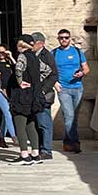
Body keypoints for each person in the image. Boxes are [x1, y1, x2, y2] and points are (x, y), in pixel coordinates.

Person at [52, 28, 90, 153]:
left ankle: (67, 142)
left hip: (77, 88)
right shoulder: (54, 53)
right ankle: (75, 143)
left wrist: (81, 73)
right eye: (61, 38)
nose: (64, 40)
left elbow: (86, 69)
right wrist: (55, 83)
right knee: (69, 116)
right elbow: (48, 71)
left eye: (66, 37)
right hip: (63, 89)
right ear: (58, 39)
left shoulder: (78, 52)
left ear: (70, 39)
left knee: (74, 118)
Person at [6, 35, 41, 165]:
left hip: (22, 96)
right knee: (30, 124)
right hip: (33, 95)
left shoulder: (22, 56)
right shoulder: (35, 57)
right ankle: (35, 154)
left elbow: (18, 69)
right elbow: (46, 70)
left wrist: (20, 82)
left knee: (20, 125)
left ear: (22, 44)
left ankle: (24, 155)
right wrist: (37, 84)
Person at [29, 31, 59, 160]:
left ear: (40, 43)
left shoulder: (47, 56)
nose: (30, 45)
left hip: (43, 95)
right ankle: (39, 148)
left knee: (44, 123)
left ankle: (46, 150)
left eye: (33, 43)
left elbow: (53, 75)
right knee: (36, 123)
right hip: (33, 94)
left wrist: (43, 90)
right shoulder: (31, 55)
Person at [0, 45, 16, 147]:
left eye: (3, 52)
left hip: (9, 92)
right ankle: (14, 136)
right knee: (7, 112)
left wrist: (11, 57)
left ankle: (1, 138)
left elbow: (17, 70)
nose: (1, 54)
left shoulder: (10, 63)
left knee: (6, 115)